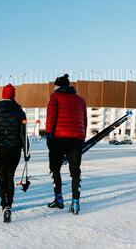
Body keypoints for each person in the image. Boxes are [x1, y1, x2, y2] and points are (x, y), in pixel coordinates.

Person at [0, 84, 30, 223]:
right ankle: (9, 204)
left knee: (2, 178)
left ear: (3, 95)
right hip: (14, 149)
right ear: (13, 96)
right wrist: (26, 151)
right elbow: (23, 134)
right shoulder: (19, 112)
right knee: (10, 176)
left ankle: (4, 204)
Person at [46, 74, 87, 214]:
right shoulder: (81, 100)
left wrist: (49, 135)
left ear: (58, 86)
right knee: (75, 171)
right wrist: (82, 136)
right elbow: (85, 120)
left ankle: (58, 199)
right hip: (76, 139)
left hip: (58, 138)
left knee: (54, 168)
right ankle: (75, 203)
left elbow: (51, 117)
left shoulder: (55, 97)